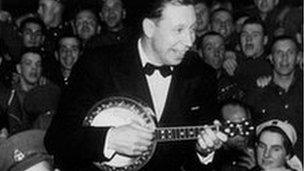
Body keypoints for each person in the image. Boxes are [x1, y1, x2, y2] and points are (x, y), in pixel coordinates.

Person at [44, 0, 222, 170]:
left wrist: (204, 152)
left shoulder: (201, 74)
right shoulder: (97, 64)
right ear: (149, 28)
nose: (190, 41)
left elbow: (195, 158)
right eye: (179, 30)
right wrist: (109, 139)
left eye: (192, 29)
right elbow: (57, 139)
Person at [245, 36, 303, 161]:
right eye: (279, 53)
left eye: (290, 52)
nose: (284, 58)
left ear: (298, 58)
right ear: (271, 58)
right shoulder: (257, 92)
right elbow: (248, 133)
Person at [223, 17, 272, 93]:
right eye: (244, 35)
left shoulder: (272, 67)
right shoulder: (231, 61)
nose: (248, 39)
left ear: (265, 40)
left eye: (255, 35)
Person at [198, 32, 245, 102]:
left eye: (221, 48)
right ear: (201, 53)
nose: (216, 53)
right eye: (210, 48)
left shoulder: (231, 79)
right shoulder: (193, 82)